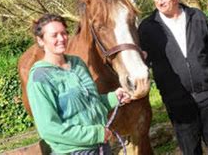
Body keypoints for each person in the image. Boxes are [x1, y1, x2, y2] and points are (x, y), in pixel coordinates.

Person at [138, 0, 208, 155]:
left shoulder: (197, 17)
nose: (160, 2)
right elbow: (142, 62)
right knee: (190, 149)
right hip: (177, 99)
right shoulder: (147, 28)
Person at [27, 14, 132, 154]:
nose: (61, 39)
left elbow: (89, 102)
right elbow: (49, 129)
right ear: (41, 40)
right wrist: (95, 134)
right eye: (54, 35)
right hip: (74, 151)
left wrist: (114, 97)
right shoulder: (40, 78)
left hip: (101, 145)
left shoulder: (77, 64)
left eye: (64, 33)